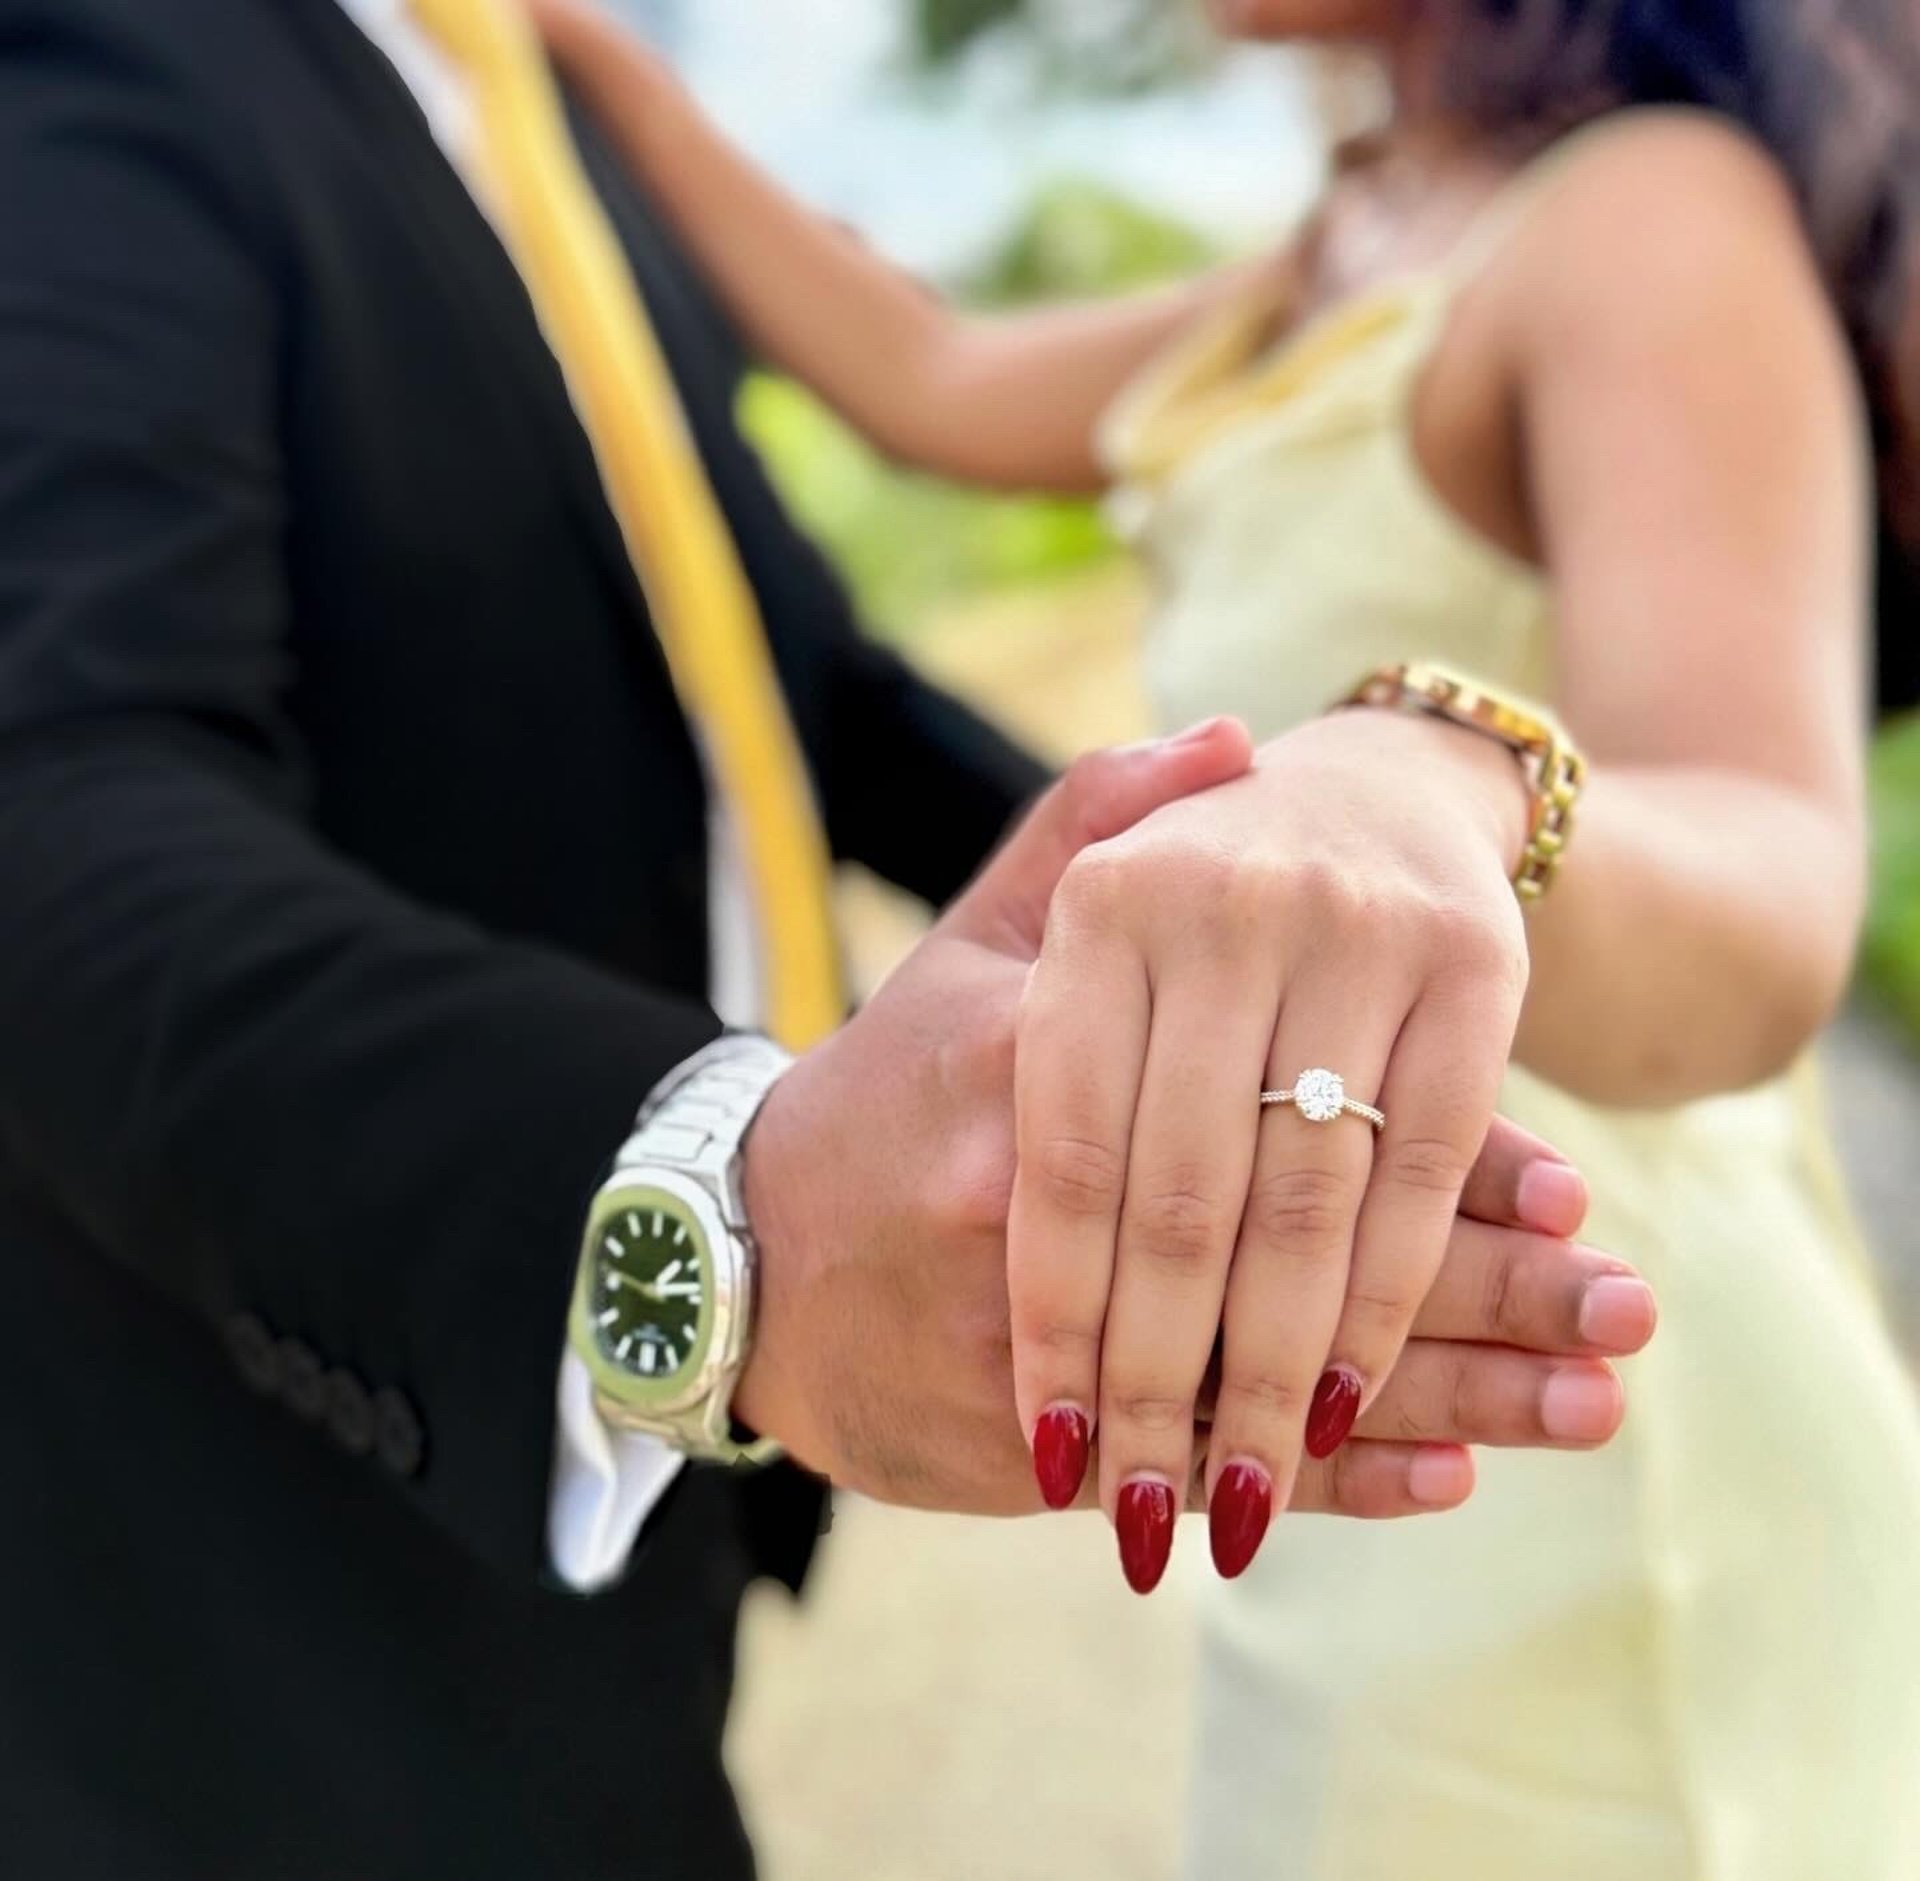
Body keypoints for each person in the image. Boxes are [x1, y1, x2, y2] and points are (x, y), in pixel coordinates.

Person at [0, 1, 1658, 1876]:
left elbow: (788, 673)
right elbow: (58, 801)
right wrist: (735, 1213)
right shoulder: (107, 54)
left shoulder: (536, 126)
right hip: (306, 1538)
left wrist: (1217, 932)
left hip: (641, 1520)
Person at [533, 0, 1920, 1874]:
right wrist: (571, 51)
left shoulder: (1652, 214)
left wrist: (1438, 763)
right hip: (1344, 1394)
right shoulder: (1350, 244)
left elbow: (1773, 872)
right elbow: (923, 369)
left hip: (1609, 1426)